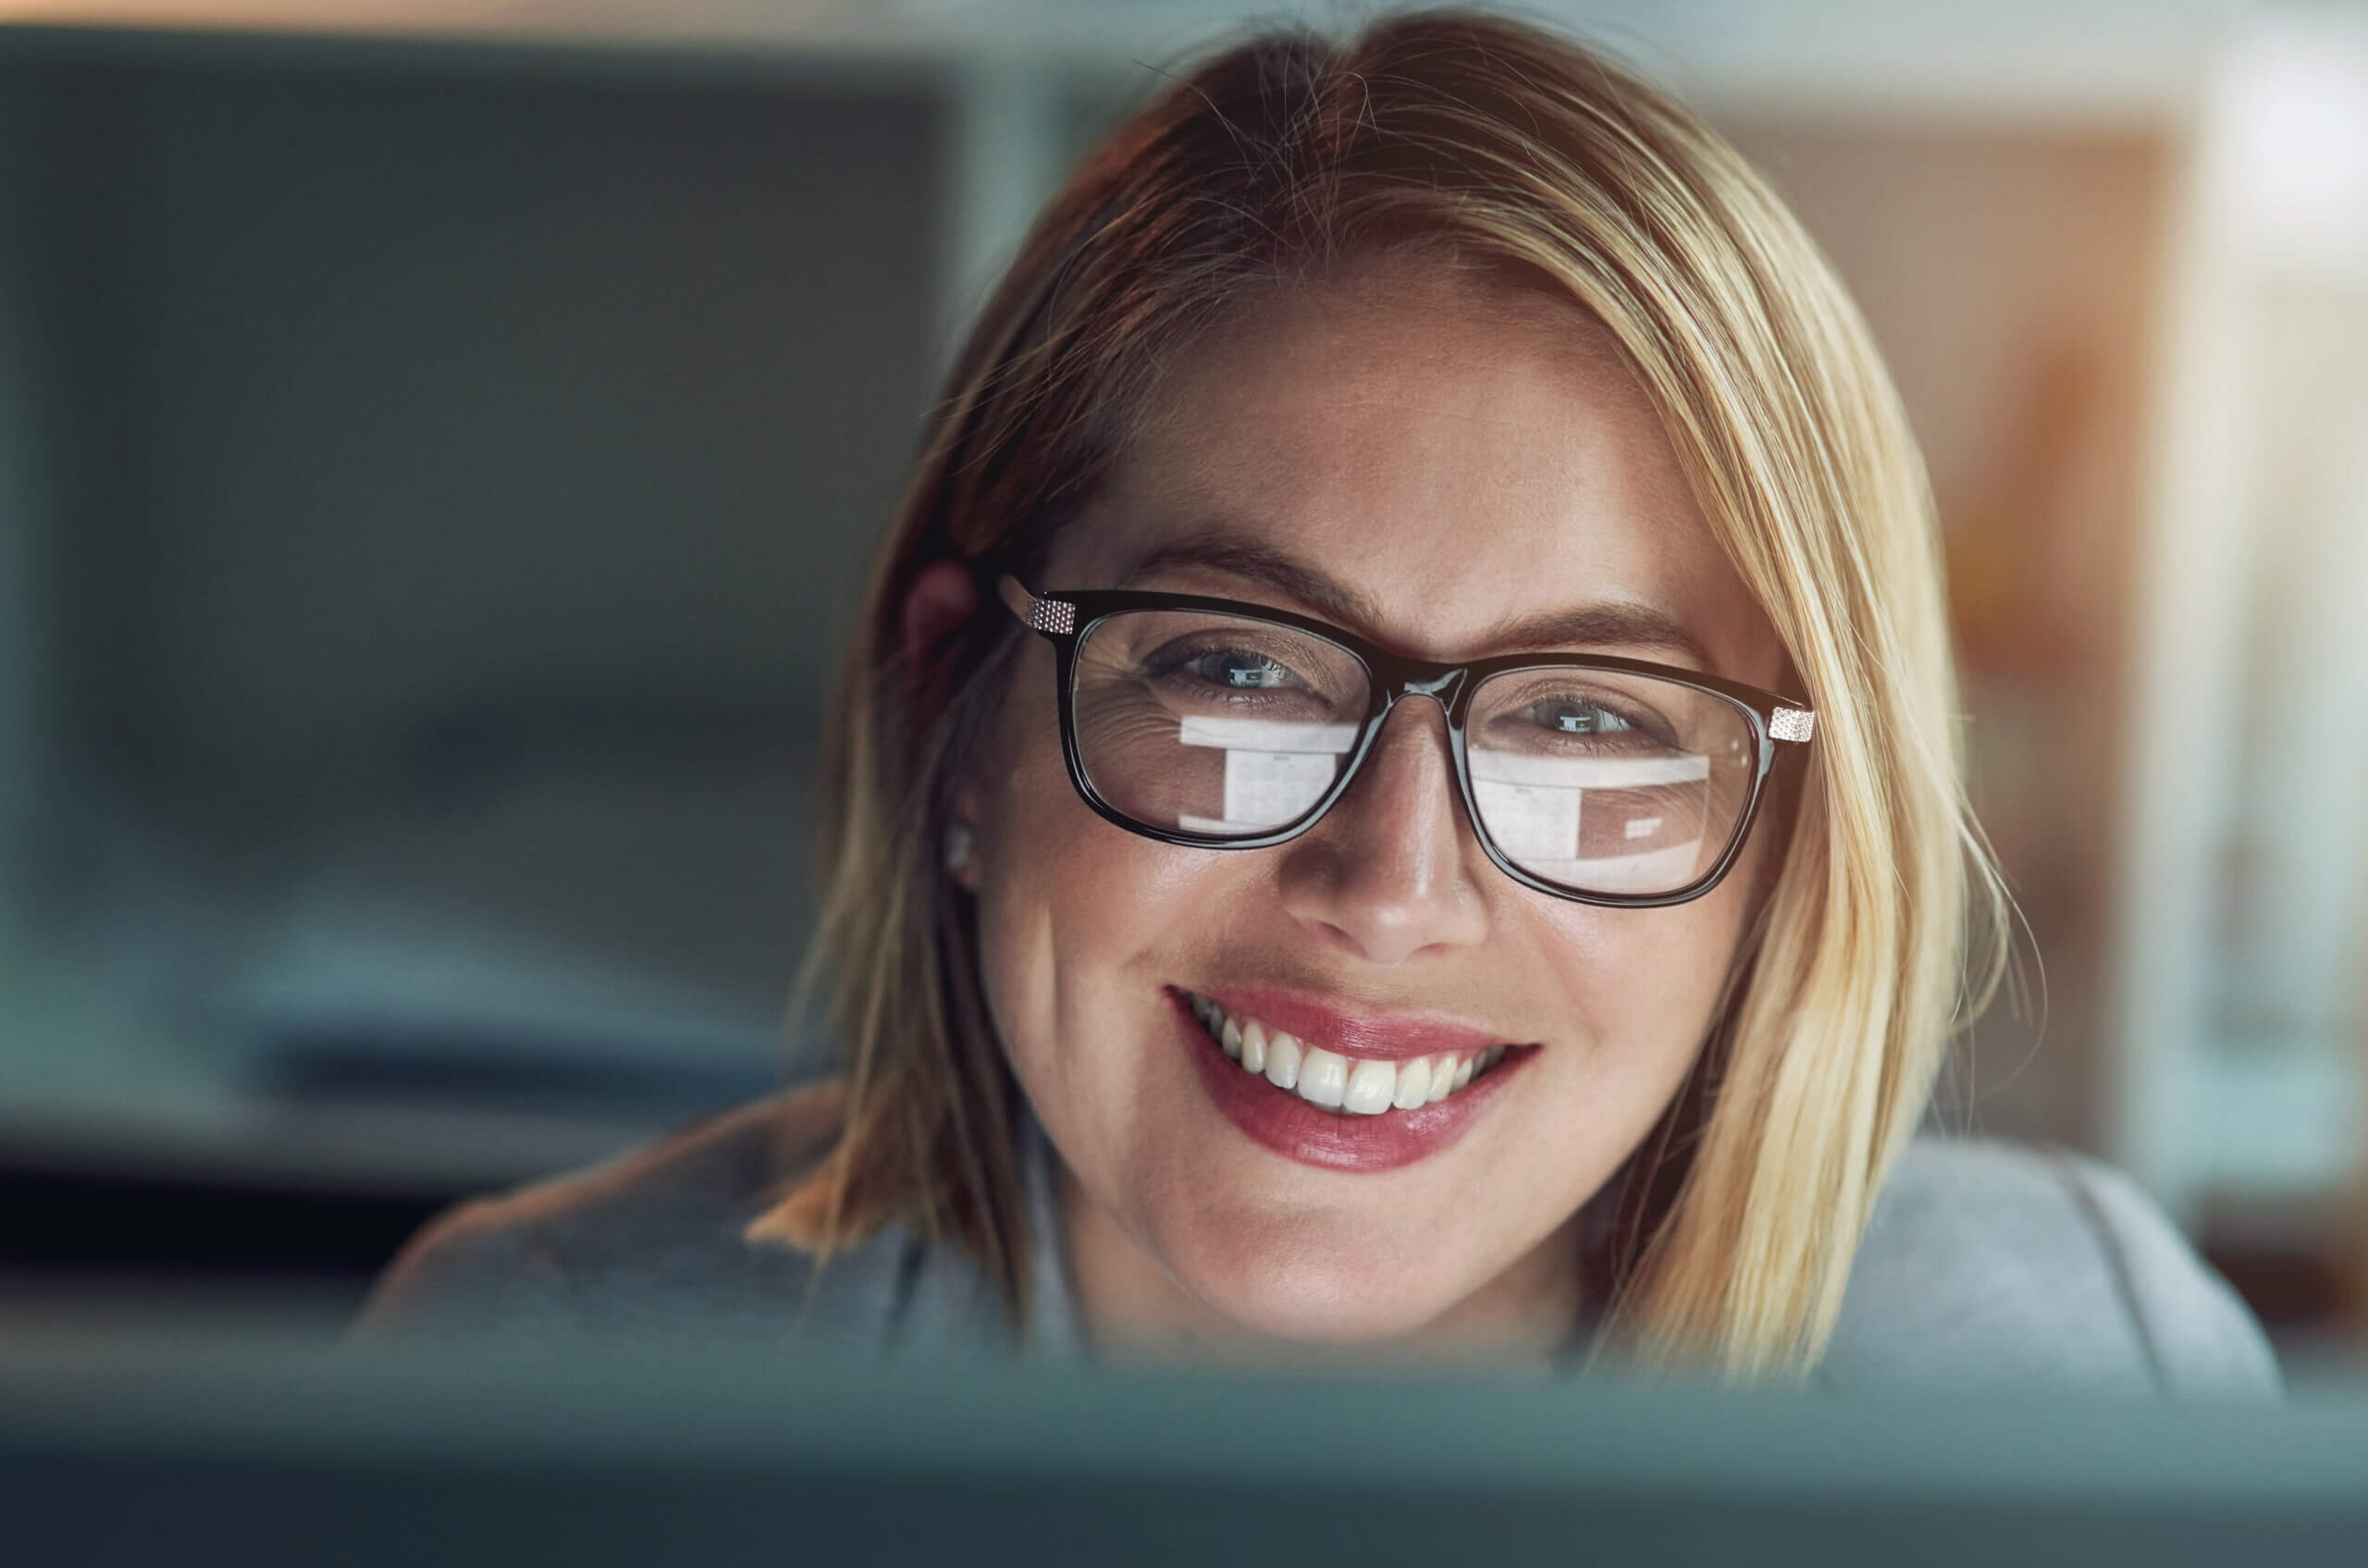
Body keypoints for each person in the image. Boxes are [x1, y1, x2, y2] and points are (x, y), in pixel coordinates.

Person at [363, 8, 2274, 1392]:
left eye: (1588, 716)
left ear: (1788, 836)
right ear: (956, 708)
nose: (1386, 886)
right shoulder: (544, 1379)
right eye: (1233, 667)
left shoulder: (2092, 1376)